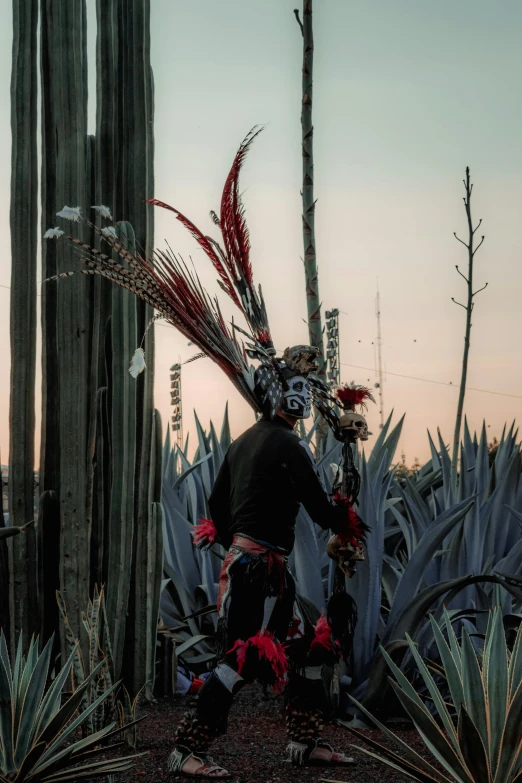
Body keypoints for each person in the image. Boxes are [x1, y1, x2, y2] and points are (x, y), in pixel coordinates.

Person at [167, 348, 368, 779]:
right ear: (277, 394)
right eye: (297, 389)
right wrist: (345, 514)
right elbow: (319, 510)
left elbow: (216, 505)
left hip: (260, 568)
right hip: (257, 570)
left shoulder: (242, 443)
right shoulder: (289, 444)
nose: (305, 398)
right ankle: (186, 750)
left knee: (306, 650)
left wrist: (236, 545)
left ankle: (305, 741)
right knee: (238, 660)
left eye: (306, 389)